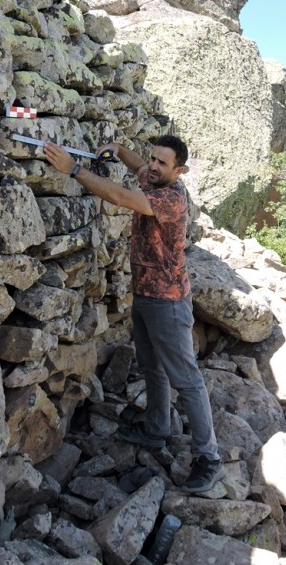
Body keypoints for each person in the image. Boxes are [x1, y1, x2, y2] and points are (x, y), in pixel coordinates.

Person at [43, 135, 222, 493]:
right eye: (153, 159)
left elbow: (122, 197)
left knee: (186, 379)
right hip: (145, 295)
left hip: (169, 302)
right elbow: (137, 167)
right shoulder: (154, 176)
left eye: (161, 163)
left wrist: (74, 168)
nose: (152, 166)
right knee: (152, 367)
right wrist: (119, 150)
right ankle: (156, 428)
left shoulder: (170, 197)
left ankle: (209, 457)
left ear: (179, 171)